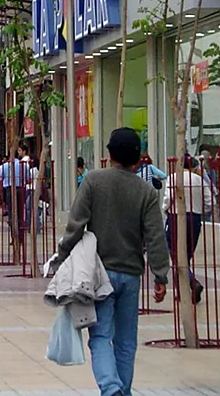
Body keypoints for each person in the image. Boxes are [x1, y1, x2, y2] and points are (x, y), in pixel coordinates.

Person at [57, 128, 169, 396]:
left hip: (99, 275)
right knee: (127, 341)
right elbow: (155, 236)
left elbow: (76, 226)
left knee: (100, 337)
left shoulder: (93, 182)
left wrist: (62, 257)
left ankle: (111, 389)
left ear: (108, 154)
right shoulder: (146, 192)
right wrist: (160, 276)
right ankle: (122, 391)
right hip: (131, 275)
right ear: (138, 160)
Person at [163, 155, 213, 303]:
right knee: (187, 254)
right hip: (195, 219)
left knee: (176, 255)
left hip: (176, 217)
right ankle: (183, 289)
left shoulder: (173, 178)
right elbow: (210, 202)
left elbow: (167, 199)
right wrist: (198, 209)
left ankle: (191, 283)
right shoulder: (199, 180)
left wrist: (165, 210)